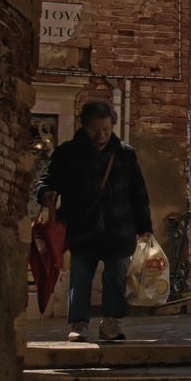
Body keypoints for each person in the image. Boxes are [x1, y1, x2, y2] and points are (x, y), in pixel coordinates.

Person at [33, 99, 153, 342]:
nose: (101, 135)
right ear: (84, 126)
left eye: (107, 130)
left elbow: (138, 193)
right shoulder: (67, 152)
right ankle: (79, 323)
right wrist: (44, 193)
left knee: (117, 276)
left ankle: (112, 323)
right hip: (81, 226)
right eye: (95, 129)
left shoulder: (124, 154)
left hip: (118, 228)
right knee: (80, 277)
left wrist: (144, 227)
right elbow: (47, 179)